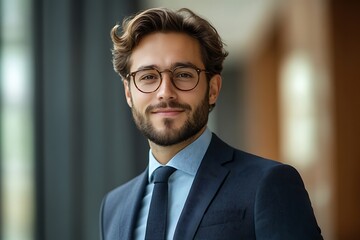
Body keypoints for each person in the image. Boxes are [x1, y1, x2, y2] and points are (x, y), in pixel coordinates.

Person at [100, 7, 323, 240]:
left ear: (213, 89)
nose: (165, 92)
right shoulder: (113, 207)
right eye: (148, 77)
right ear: (128, 93)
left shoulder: (269, 184)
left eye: (183, 74)